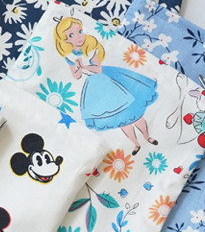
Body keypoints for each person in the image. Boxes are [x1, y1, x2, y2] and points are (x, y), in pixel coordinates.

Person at [54, 16, 158, 155]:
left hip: (109, 80)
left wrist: (84, 66)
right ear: (66, 39)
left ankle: (147, 136)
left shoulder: (90, 47)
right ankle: (136, 143)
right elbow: (76, 76)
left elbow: (98, 68)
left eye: (80, 31)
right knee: (121, 120)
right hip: (95, 89)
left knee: (134, 112)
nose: (78, 36)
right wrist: (78, 66)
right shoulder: (70, 56)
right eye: (71, 35)